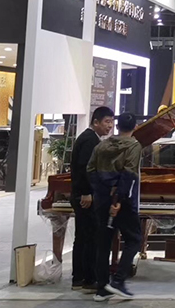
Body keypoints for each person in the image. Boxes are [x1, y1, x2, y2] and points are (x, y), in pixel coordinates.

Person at [87, 112, 142, 301]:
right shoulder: (133, 146)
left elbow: (90, 170)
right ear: (135, 127)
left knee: (103, 243)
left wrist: (105, 191)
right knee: (134, 239)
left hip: (101, 200)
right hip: (122, 202)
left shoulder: (101, 145)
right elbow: (128, 174)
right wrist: (117, 200)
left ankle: (101, 289)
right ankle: (118, 281)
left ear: (117, 127)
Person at [70, 106, 114, 293]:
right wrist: (87, 193)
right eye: (107, 122)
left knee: (82, 237)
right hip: (84, 195)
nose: (110, 126)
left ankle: (78, 278)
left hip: (82, 193)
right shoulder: (89, 140)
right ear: (96, 122)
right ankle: (89, 279)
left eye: (112, 122)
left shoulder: (91, 138)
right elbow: (84, 168)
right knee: (90, 238)